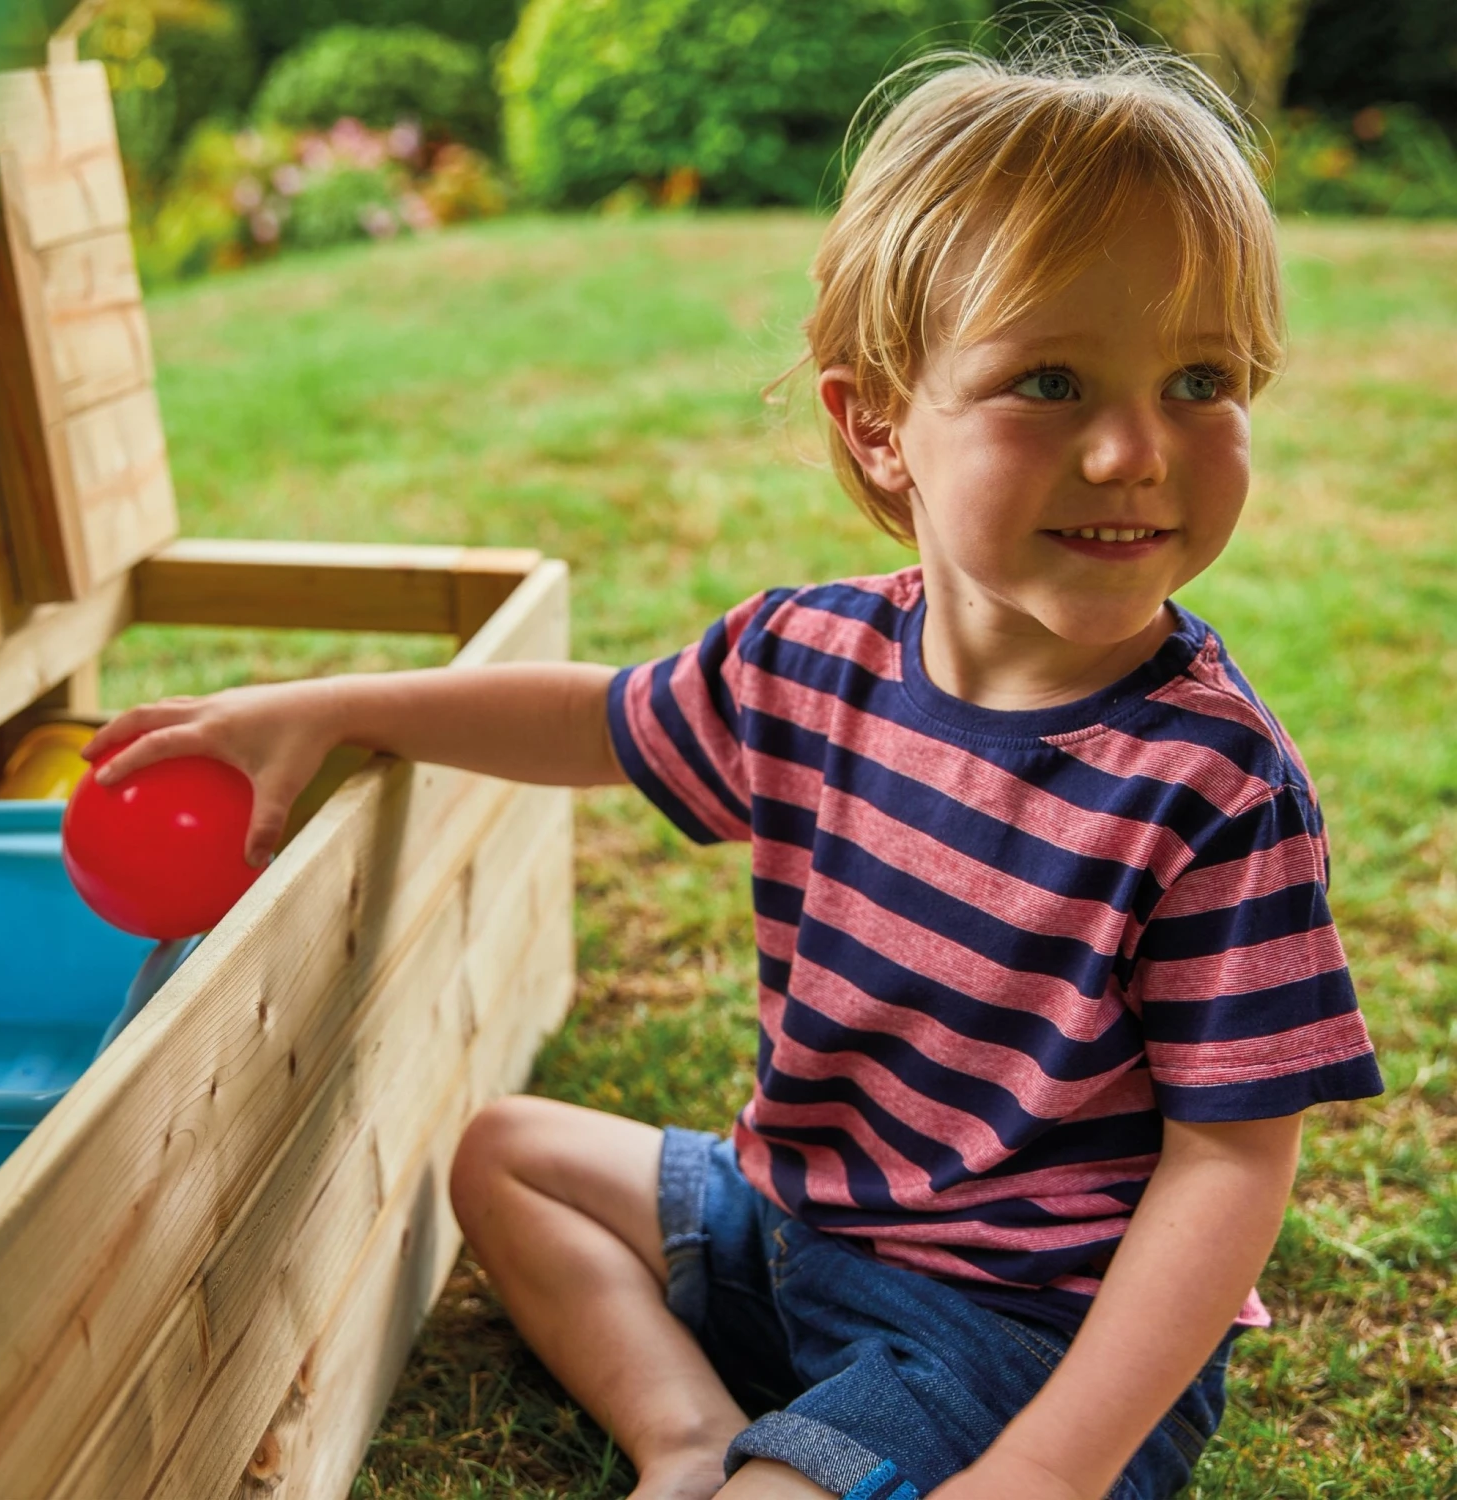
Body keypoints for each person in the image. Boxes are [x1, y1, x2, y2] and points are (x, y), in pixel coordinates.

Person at [83, 28, 1385, 1500]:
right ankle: (688, 1435)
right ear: (879, 425)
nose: (1132, 452)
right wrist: (337, 709)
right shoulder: (807, 660)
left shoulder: (1210, 784)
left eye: (1201, 379)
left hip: (1022, 1337)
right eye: (1052, 384)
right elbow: (593, 718)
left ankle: (786, 1461)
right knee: (508, 1157)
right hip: (792, 1224)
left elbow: (1230, 1167)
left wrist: (1053, 1470)